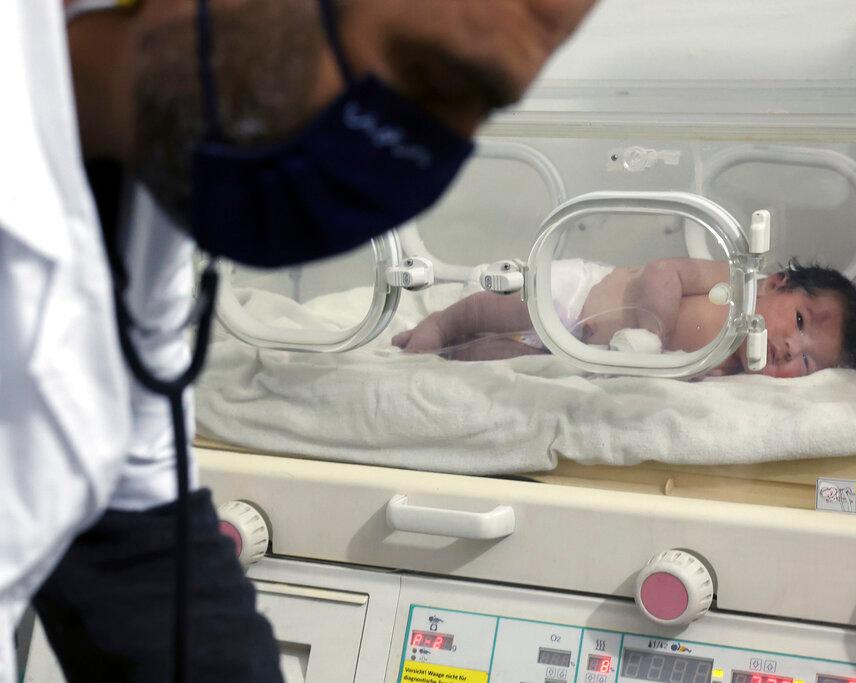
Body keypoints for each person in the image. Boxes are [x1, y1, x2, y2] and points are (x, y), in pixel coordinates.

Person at [2, 1, 595, 681]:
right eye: (424, 76)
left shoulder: (139, 202)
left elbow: (136, 539)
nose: (414, 161)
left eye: (474, 110)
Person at [393, 258, 856, 377]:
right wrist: (651, 329)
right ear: (775, 282)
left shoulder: (731, 372)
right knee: (500, 307)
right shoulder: (730, 282)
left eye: (807, 364)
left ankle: (447, 355)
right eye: (800, 322)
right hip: (579, 298)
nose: (791, 349)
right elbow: (661, 273)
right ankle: (443, 323)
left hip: (581, 356)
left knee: (500, 360)